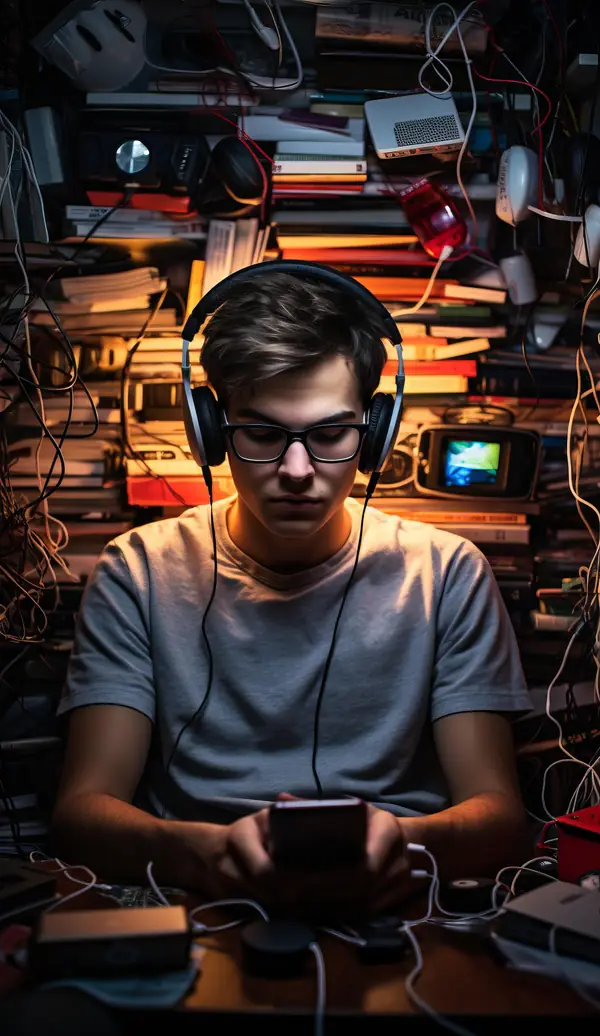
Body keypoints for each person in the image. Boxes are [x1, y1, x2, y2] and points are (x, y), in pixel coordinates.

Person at [52, 270, 533, 917]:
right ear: (213, 432)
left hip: (401, 908)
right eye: (264, 434)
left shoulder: (447, 573)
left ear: (376, 432)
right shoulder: (137, 571)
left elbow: (502, 817)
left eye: (331, 434)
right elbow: (81, 815)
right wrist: (209, 855)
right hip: (201, 904)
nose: (298, 471)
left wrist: (403, 843)